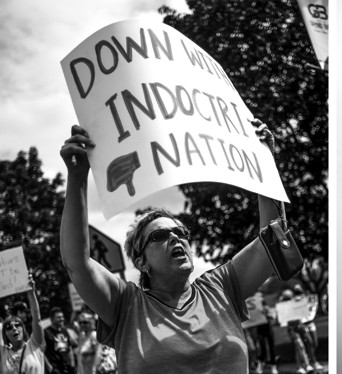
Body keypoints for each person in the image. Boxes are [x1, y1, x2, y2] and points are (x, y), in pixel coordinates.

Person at [59, 120, 286, 373]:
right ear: (141, 262)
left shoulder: (221, 288)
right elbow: (76, 263)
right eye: (160, 236)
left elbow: (273, 241)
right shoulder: (126, 305)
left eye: (180, 232)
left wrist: (266, 164)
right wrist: (77, 178)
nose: (176, 238)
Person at [1, 275, 45, 374]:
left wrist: (31, 293)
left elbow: (36, 318)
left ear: (23, 328)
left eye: (17, 325)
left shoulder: (35, 344)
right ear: (5, 334)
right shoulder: (3, 353)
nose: (14, 329)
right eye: (9, 328)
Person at [44, 307, 77, 374]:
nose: (62, 319)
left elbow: (69, 348)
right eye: (58, 317)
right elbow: (42, 352)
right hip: (55, 368)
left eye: (62, 317)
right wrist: (49, 367)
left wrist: (72, 364)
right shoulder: (46, 333)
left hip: (67, 367)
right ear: (52, 319)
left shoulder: (64, 331)